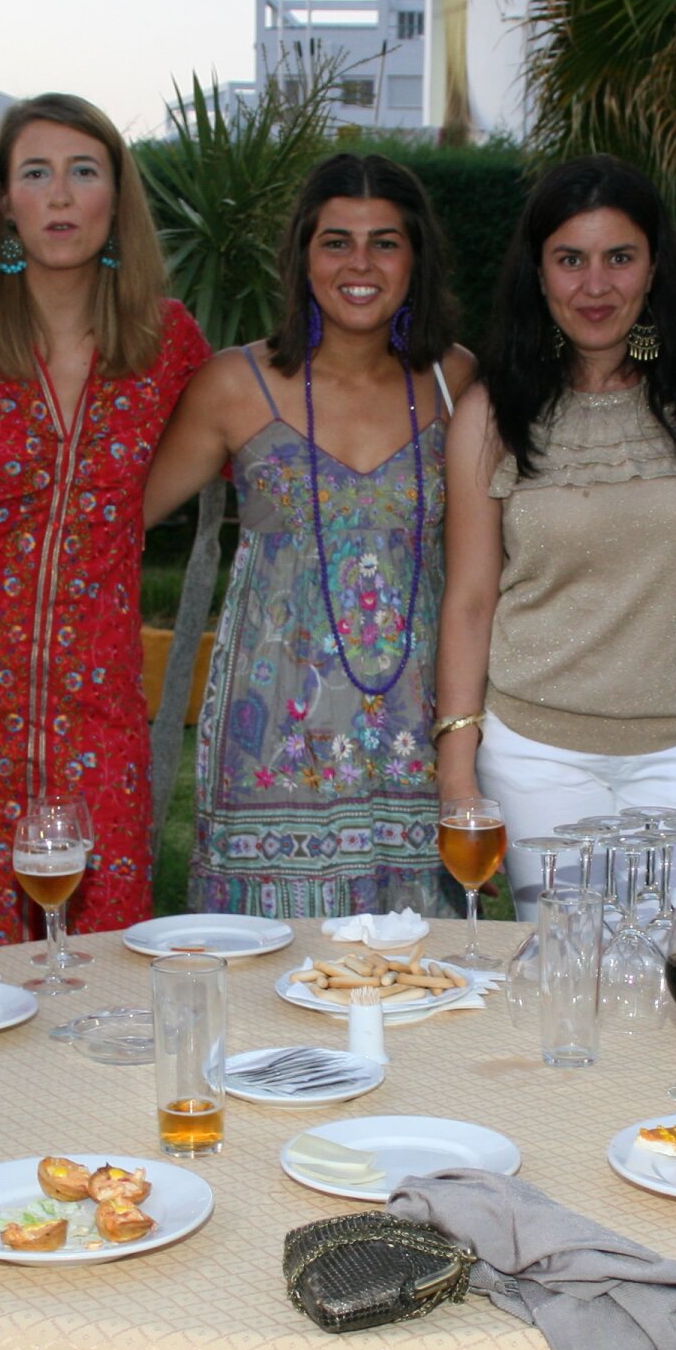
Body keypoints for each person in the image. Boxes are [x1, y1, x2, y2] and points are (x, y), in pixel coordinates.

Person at [0, 93, 211, 950]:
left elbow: (241, 434)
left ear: (116, 200)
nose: (59, 195)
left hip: (99, 712)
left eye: (83, 172)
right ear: (6, 202)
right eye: (35, 173)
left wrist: (115, 518)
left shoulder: (166, 342)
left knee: (105, 966)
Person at [431, 155, 676, 904]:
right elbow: (470, 599)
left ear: (654, 267)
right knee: (562, 963)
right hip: (535, 755)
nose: (595, 286)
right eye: (570, 260)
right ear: (538, 272)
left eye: (620, 257)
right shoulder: (491, 413)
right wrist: (457, 771)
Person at [144, 154, 476, 918]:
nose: (360, 264)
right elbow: (116, 522)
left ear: (416, 259)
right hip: (273, 742)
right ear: (302, 255)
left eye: (384, 242)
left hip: (416, 736)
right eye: (336, 242)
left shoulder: (455, 381)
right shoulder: (234, 385)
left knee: (419, 971)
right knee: (269, 970)